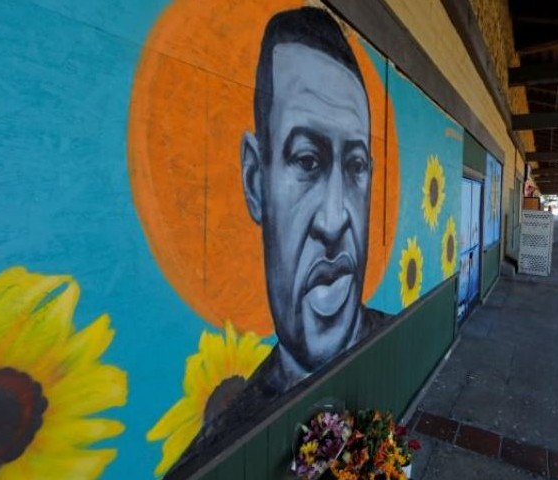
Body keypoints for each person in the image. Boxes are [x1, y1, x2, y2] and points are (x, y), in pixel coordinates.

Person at [167, 7, 392, 476]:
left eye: (355, 167)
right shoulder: (211, 452)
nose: (334, 220)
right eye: (308, 161)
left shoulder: (389, 340)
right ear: (255, 180)